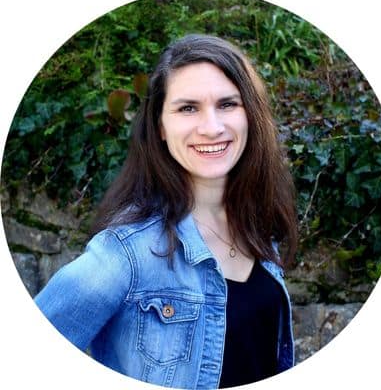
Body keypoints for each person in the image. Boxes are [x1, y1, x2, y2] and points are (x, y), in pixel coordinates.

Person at [35, 34, 298, 389]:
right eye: (188, 108)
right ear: (160, 126)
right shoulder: (126, 253)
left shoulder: (259, 228)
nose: (212, 127)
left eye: (227, 104)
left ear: (250, 115)